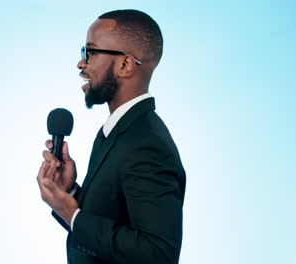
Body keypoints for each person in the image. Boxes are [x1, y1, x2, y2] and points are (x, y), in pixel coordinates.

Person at [37, 9, 186, 264]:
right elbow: (113, 225)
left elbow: (158, 253)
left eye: (89, 52)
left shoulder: (147, 144)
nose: (81, 64)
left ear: (125, 64)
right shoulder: (119, 130)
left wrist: (74, 215)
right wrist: (70, 193)